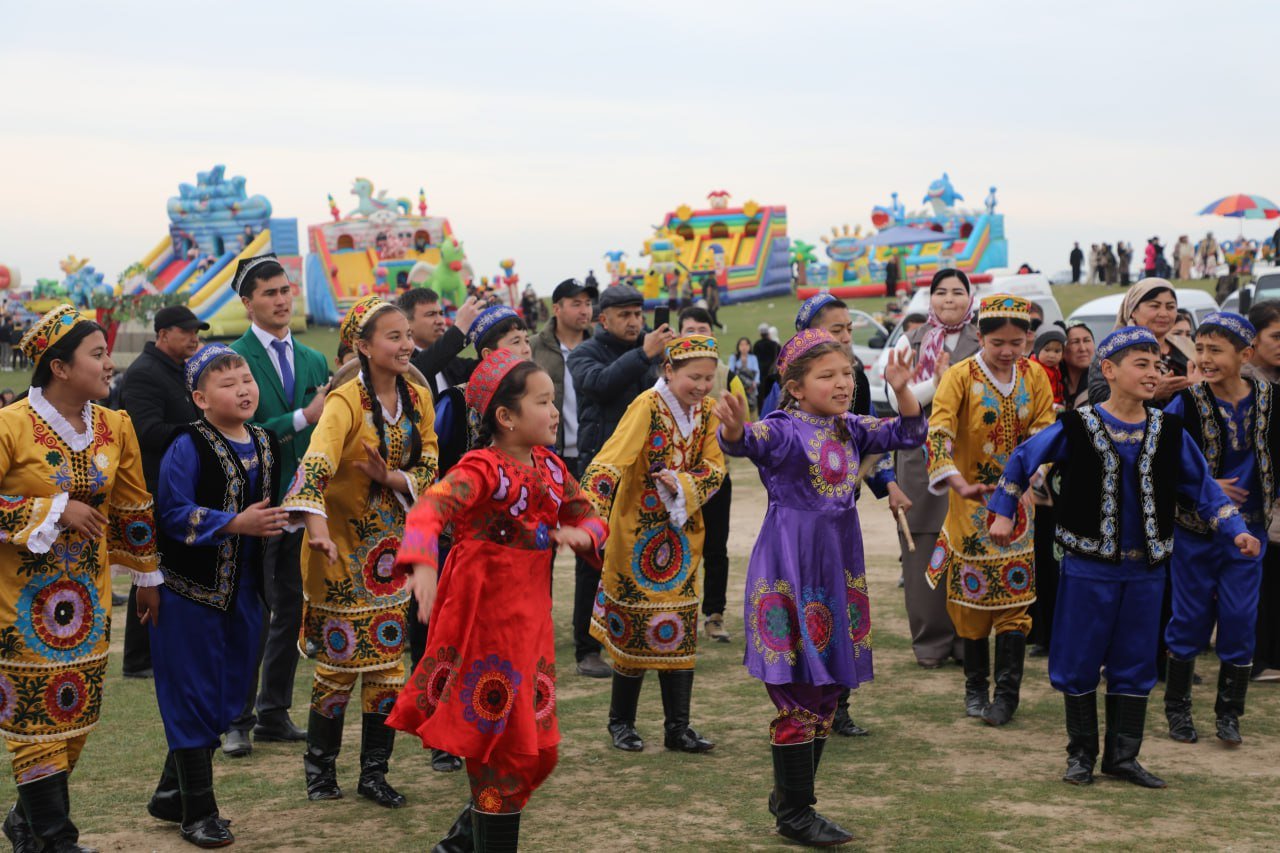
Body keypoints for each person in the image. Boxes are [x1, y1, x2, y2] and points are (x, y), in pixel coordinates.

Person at [989, 326, 1258, 788]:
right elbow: (1022, 458)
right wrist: (1002, 510)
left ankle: (1123, 756)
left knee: (1135, 661)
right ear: (1109, 370)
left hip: (1148, 569)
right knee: (1078, 658)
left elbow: (1203, 489)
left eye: (1158, 365)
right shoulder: (1078, 425)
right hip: (1088, 567)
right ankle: (1080, 755)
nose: (1154, 373)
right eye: (1141, 364)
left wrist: (1236, 530)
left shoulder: (1169, 430)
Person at [388, 350, 608, 852]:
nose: (555, 412)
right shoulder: (481, 467)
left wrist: (582, 533)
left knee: (538, 754)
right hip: (483, 620)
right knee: (500, 754)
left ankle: (464, 838)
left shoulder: (551, 467)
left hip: (529, 623)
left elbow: (593, 517)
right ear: (505, 418)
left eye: (555, 401)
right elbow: (431, 506)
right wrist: (422, 562)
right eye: (543, 401)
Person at [714, 328, 926, 847]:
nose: (841, 383)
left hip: (837, 567)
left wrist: (901, 388)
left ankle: (792, 796)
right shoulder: (785, 428)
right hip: (790, 566)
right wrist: (737, 429)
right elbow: (747, 442)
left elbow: (909, 434)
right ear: (794, 386)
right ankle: (796, 813)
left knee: (831, 684)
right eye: (826, 375)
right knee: (797, 689)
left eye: (847, 373)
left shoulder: (851, 427)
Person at [0, 306, 159, 852]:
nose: (110, 363)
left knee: (75, 717)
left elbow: (134, 503)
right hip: (18, 604)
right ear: (60, 368)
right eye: (98, 354)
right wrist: (54, 507)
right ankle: (55, 839)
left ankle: (26, 823)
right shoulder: (10, 424)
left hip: (88, 601)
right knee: (37, 726)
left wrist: (148, 577)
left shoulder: (116, 425)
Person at [282, 296, 439, 807]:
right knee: (338, 667)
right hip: (342, 552)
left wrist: (389, 477)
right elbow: (316, 464)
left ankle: (375, 774)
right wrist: (316, 527)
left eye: (407, 336)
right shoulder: (345, 401)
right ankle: (320, 773)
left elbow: (431, 462)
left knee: (389, 668)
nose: (406, 345)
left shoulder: (418, 398)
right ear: (364, 346)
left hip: (392, 554)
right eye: (393, 337)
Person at [147, 344, 286, 848]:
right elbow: (171, 511)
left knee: (227, 696)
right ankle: (197, 813)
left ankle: (169, 794)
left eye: (245, 378)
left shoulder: (267, 442)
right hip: (190, 593)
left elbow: (280, 503)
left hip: (246, 593)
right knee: (192, 696)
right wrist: (235, 523)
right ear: (200, 399)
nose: (243, 389)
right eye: (227, 384)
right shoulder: (187, 445)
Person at [582, 334, 726, 755]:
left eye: (708, 378)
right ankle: (620, 723)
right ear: (669, 371)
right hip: (636, 532)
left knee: (677, 628)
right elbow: (612, 457)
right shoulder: (647, 406)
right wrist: (586, 511)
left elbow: (715, 468)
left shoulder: (710, 412)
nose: (701, 386)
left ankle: (677, 728)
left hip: (681, 536)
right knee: (634, 627)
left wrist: (682, 482)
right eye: (693, 377)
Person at [925, 294, 1056, 726]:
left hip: (1017, 505)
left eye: (1017, 342)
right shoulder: (959, 376)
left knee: (1016, 598)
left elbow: (1044, 432)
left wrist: (1028, 483)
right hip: (970, 505)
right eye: (998, 341)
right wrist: (957, 481)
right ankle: (976, 686)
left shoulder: (1035, 375)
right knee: (973, 600)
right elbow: (939, 430)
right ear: (979, 336)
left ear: (1028, 340)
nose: (1007, 351)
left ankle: (1008, 694)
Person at [226, 254, 331, 757]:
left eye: (286, 290)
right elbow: (234, 432)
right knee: (250, 612)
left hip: (303, 502)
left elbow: (330, 430)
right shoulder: (233, 360)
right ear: (247, 304)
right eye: (269, 293)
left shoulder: (314, 359)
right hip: (252, 504)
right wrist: (300, 417)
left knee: (289, 610)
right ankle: (235, 720)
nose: (282, 299)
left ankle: (273, 712)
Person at [1162, 312, 1279, 746]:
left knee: (1240, 618)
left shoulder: (1272, 399)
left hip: (1249, 534)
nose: (1204, 359)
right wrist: (1205, 488)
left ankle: (1229, 713)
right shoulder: (1185, 404)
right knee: (1189, 618)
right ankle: (1178, 710)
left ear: (1245, 355)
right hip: (1194, 531)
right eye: (1200, 349)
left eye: (1215, 350)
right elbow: (1162, 463)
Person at [565, 285, 673, 678]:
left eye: (637, 314)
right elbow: (600, 384)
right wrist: (644, 353)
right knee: (593, 559)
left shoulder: (654, 354)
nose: (633, 322)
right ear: (603, 319)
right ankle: (586, 649)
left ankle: (637, 635)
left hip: (648, 473)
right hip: (601, 473)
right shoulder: (584, 353)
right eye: (623, 315)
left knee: (641, 553)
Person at [886, 270, 980, 669]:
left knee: (968, 546)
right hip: (921, 459)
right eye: (940, 292)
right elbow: (895, 400)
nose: (948, 299)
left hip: (971, 458)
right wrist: (937, 384)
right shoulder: (912, 339)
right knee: (922, 547)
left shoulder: (983, 340)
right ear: (930, 299)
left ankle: (966, 639)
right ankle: (930, 642)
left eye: (958, 292)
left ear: (970, 298)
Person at [117, 305, 207, 680]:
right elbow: (145, 431)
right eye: (186, 332)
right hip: (152, 486)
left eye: (196, 332)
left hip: (177, 484)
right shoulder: (143, 374)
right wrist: (202, 432)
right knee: (148, 571)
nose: (194, 338)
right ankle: (138, 659)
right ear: (163, 333)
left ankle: (159, 652)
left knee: (168, 572)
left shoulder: (179, 370)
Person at [678, 308, 750, 643]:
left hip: (717, 478)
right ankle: (679, 612)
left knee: (716, 548)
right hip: (675, 482)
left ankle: (714, 615)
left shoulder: (727, 376)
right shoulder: (666, 377)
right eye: (688, 330)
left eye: (702, 329)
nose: (695, 335)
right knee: (677, 547)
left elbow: (744, 426)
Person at [1088, 279, 1196, 407]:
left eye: (1170, 307)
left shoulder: (1187, 346)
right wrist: (1152, 393)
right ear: (1133, 311)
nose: (1163, 313)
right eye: (1154, 306)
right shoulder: (1111, 350)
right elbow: (1098, 397)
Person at [761, 294, 871, 417]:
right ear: (808, 335)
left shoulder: (858, 374)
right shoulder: (782, 381)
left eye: (849, 329)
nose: (847, 338)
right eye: (836, 331)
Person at [530, 278, 597, 470]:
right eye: (576, 304)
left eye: (588, 304)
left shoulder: (601, 346)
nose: (585, 310)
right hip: (551, 454)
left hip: (597, 453)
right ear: (556, 309)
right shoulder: (534, 347)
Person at [1246, 301, 1280, 681]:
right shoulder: (1245, 383)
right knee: (1259, 579)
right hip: (1252, 497)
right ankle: (1256, 658)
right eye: (1276, 336)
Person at [400, 288, 483, 401]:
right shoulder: (401, 360)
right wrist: (460, 327)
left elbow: (481, 372)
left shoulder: (451, 359)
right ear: (407, 323)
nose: (440, 321)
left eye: (441, 314)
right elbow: (420, 369)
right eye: (431, 314)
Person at [1031, 325, 1067, 410]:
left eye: (1057, 351)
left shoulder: (1056, 367)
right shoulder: (1035, 370)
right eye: (1047, 350)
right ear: (1038, 350)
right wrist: (1054, 406)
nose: (1051, 355)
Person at [729, 337, 761, 417]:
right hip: (738, 389)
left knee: (752, 412)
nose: (744, 347)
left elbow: (757, 372)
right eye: (742, 345)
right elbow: (731, 372)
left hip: (751, 389)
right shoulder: (733, 358)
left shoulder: (753, 358)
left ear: (749, 346)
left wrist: (755, 383)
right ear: (738, 347)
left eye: (746, 345)